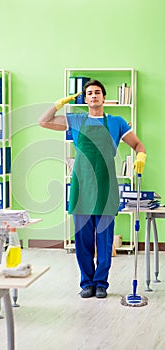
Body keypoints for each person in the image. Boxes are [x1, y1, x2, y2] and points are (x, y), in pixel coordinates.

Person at [38, 79, 146, 299]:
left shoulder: (117, 122)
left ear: (104, 98)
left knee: (105, 241)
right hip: (82, 186)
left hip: (106, 186)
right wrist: (58, 104)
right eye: (89, 93)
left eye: (97, 92)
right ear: (85, 99)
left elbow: (137, 144)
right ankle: (86, 282)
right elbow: (43, 121)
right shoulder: (76, 119)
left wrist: (141, 155)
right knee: (83, 240)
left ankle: (101, 283)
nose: (94, 96)